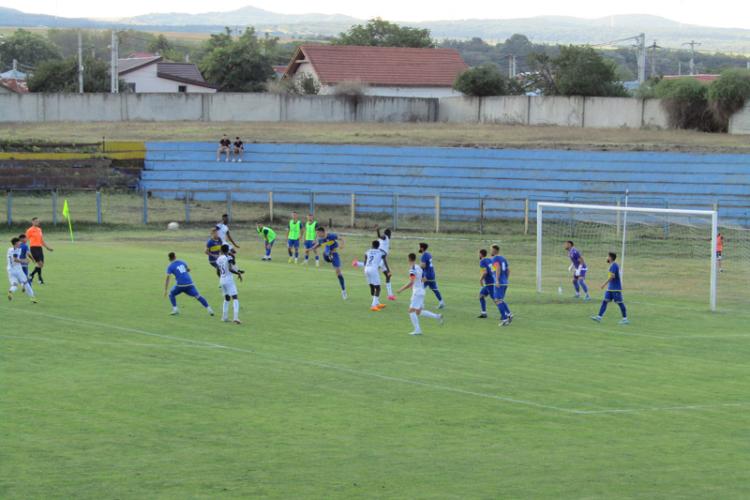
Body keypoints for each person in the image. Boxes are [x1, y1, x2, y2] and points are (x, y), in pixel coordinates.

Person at [397, 253, 443, 336]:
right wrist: (417, 283)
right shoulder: (419, 267)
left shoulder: (412, 269)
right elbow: (424, 279)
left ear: (409, 259)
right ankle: (437, 316)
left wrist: (401, 289)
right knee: (418, 312)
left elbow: (411, 281)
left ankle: (417, 330)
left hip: (417, 292)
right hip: (421, 291)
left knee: (411, 311)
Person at [164, 252, 214, 317]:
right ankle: (209, 309)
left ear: (169, 259)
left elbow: (167, 278)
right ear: (175, 256)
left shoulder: (170, 266)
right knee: (198, 296)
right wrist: (188, 270)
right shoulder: (182, 262)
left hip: (180, 285)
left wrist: (165, 290)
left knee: (171, 294)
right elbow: (187, 269)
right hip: (190, 284)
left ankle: (175, 309)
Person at [591, 252, 629, 325]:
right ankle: (599, 317)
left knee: (620, 303)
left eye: (607, 256)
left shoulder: (614, 265)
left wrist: (604, 284)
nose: (606, 258)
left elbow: (612, 276)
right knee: (604, 302)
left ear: (610, 258)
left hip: (616, 289)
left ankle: (625, 319)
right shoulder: (611, 265)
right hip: (610, 288)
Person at [313, 226, 347, 300]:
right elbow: (317, 245)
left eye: (318, 233)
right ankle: (328, 255)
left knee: (338, 273)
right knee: (326, 250)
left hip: (335, 255)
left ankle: (343, 290)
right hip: (326, 256)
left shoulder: (331, 236)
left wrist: (342, 245)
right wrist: (313, 248)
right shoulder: (320, 239)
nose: (317, 235)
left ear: (322, 232)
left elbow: (342, 238)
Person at [217, 244, 242, 324]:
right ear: (228, 250)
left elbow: (218, 271)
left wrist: (221, 279)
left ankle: (224, 317)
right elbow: (231, 268)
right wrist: (238, 273)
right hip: (229, 280)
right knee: (235, 298)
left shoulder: (219, 258)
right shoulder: (228, 257)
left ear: (221, 250)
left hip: (222, 279)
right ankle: (236, 318)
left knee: (227, 298)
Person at [7, 237, 36, 303]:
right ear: (16, 243)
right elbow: (15, 259)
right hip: (18, 270)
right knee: (26, 283)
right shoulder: (17, 250)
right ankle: (32, 298)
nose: (20, 243)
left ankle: (10, 291)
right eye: (19, 242)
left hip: (10, 270)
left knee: (14, 285)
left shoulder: (9, 249)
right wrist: (25, 261)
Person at [490, 244, 513, 326]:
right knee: (501, 300)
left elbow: (498, 268)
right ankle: (509, 314)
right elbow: (508, 270)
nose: (491, 251)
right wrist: (505, 279)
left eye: (491, 249)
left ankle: (504, 319)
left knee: (497, 300)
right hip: (504, 282)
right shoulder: (503, 258)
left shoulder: (495, 258)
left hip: (499, 282)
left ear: (494, 250)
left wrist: (497, 280)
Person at [26, 217, 53, 285]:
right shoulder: (29, 230)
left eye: (38, 221)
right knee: (40, 264)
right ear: (32, 222)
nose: (37, 222)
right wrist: (24, 249)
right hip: (33, 248)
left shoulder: (39, 229)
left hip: (39, 248)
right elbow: (25, 240)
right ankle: (37, 278)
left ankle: (34, 276)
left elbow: (41, 240)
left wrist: (47, 247)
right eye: (35, 221)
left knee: (41, 264)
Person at [363, 240, 388, 311]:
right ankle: (373, 305)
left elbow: (365, 262)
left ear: (372, 245)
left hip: (366, 269)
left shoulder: (367, 251)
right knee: (378, 288)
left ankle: (377, 303)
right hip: (373, 270)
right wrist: (388, 271)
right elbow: (385, 258)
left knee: (371, 286)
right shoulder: (381, 252)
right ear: (378, 245)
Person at [419, 242, 445, 309]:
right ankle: (441, 302)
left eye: (420, 247)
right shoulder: (428, 254)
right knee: (434, 289)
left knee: (421, 288)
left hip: (426, 275)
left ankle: (421, 304)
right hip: (432, 274)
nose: (419, 248)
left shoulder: (424, 255)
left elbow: (423, 266)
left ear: (422, 248)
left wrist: (419, 267)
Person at [477, 249, 496, 320]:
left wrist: (481, 279)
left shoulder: (482, 261)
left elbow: (485, 272)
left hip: (489, 282)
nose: (478, 255)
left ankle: (506, 314)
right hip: (492, 281)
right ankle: (484, 313)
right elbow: (494, 269)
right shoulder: (489, 260)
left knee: (495, 299)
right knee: (481, 296)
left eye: (479, 253)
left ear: (481, 254)